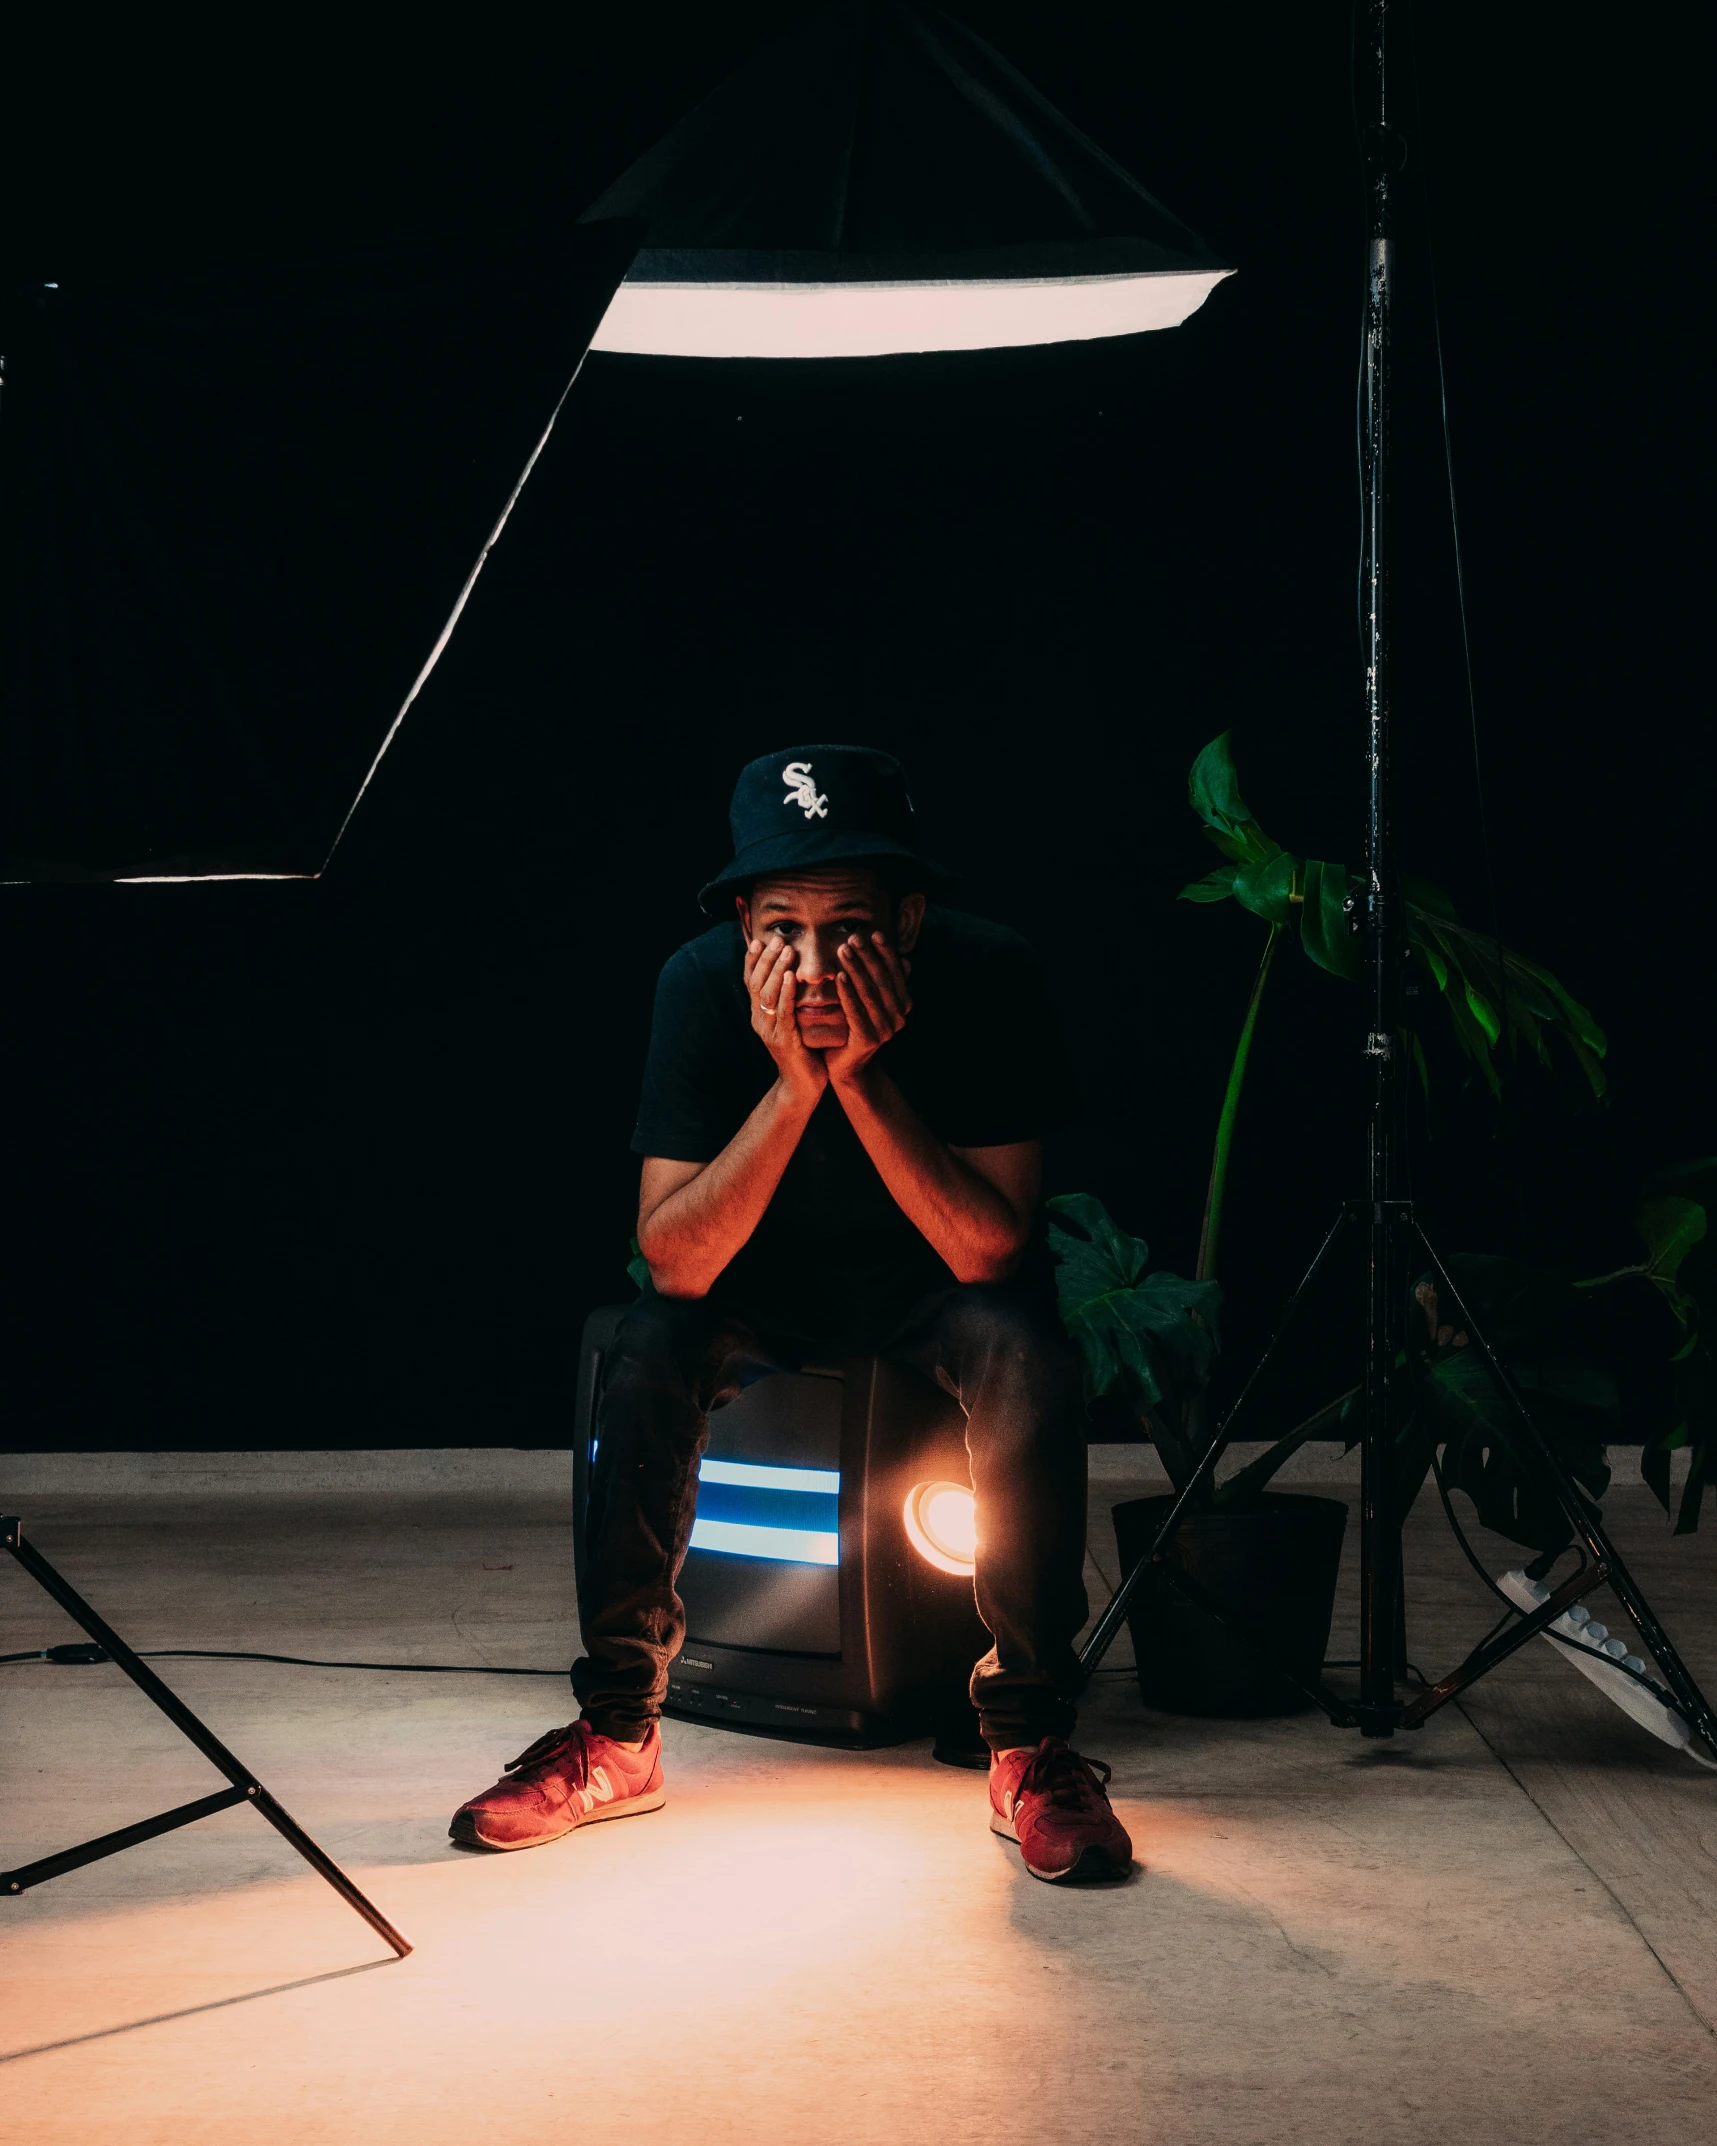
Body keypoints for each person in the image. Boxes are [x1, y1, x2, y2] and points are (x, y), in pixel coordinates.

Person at [451, 745, 1132, 1883]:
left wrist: (861, 1078)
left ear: (909, 921)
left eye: (849, 929)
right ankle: (618, 1735)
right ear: (743, 924)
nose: (812, 965)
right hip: (758, 1288)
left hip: (933, 1291)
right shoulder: (697, 983)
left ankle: (1026, 1742)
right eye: (781, 929)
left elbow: (989, 1248)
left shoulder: (991, 972)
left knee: (1024, 1345)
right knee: (647, 1342)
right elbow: (673, 1258)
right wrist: (793, 1082)